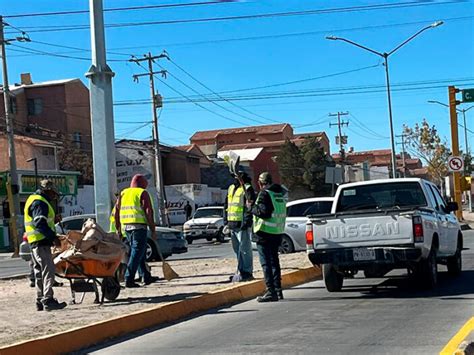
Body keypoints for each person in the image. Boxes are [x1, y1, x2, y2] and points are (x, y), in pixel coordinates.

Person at [24, 179, 67, 311]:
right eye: (53, 193)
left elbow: (41, 221)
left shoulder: (34, 200)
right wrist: (53, 238)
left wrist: (53, 220)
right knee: (48, 270)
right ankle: (48, 299)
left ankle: (40, 299)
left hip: (34, 242)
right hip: (41, 242)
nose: (54, 196)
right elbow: (40, 224)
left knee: (39, 272)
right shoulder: (40, 202)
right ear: (47, 191)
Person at [115, 174, 159, 288]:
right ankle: (129, 278)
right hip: (139, 227)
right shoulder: (142, 193)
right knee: (137, 253)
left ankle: (145, 275)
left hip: (127, 228)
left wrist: (118, 229)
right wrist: (153, 230)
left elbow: (116, 211)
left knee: (140, 252)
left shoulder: (123, 193)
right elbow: (149, 212)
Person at [249, 172, 287, 302]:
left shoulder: (265, 194)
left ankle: (271, 291)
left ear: (260, 183)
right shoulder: (279, 194)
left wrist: (251, 208)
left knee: (266, 264)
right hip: (277, 232)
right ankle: (278, 290)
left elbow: (264, 213)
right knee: (274, 262)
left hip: (264, 233)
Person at [224, 171, 256, 282]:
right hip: (232, 224)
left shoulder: (247, 188)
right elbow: (227, 205)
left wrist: (246, 222)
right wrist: (226, 222)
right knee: (237, 249)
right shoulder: (231, 188)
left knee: (245, 250)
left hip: (242, 225)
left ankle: (247, 272)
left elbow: (249, 207)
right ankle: (241, 270)